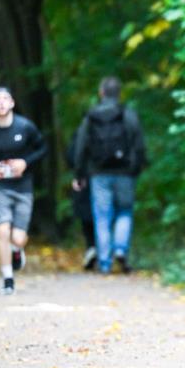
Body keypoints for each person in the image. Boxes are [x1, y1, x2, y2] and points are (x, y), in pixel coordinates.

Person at [0, 87, 47, 294]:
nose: (2, 103)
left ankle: (16, 251)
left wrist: (25, 162)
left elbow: (42, 149)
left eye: (6, 99)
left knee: (18, 238)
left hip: (23, 187)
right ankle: (8, 279)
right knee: (2, 231)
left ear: (12, 103)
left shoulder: (25, 127)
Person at [72, 76, 146, 274]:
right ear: (119, 93)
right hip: (125, 172)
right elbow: (138, 145)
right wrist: (136, 168)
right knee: (124, 211)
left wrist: (79, 173)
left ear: (101, 93)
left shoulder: (91, 116)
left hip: (99, 173)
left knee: (102, 216)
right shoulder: (128, 114)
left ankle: (104, 263)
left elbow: (80, 146)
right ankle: (120, 250)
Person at [66, 124, 97, 270]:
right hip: (112, 175)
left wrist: (78, 175)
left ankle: (91, 246)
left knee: (87, 213)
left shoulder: (81, 130)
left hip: (85, 177)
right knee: (106, 214)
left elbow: (72, 156)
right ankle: (107, 251)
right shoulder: (121, 120)